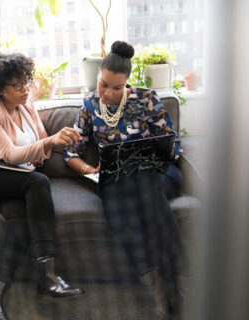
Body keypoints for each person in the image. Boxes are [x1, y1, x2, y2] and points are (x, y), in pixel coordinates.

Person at [0, 52, 85, 320]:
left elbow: (41, 149)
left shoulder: (26, 105)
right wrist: (47, 144)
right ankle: (47, 273)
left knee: (19, 220)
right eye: (17, 85)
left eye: (26, 82)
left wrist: (53, 143)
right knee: (37, 181)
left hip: (10, 179)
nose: (25, 89)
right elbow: (9, 154)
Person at [63, 41, 189, 320]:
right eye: (103, 84)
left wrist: (154, 154)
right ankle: (155, 286)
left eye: (116, 88)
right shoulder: (90, 106)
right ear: (98, 76)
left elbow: (173, 146)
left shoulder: (147, 99)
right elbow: (71, 152)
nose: (107, 93)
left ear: (127, 84)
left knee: (142, 181)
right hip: (118, 182)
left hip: (158, 175)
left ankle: (179, 283)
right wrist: (91, 170)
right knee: (115, 192)